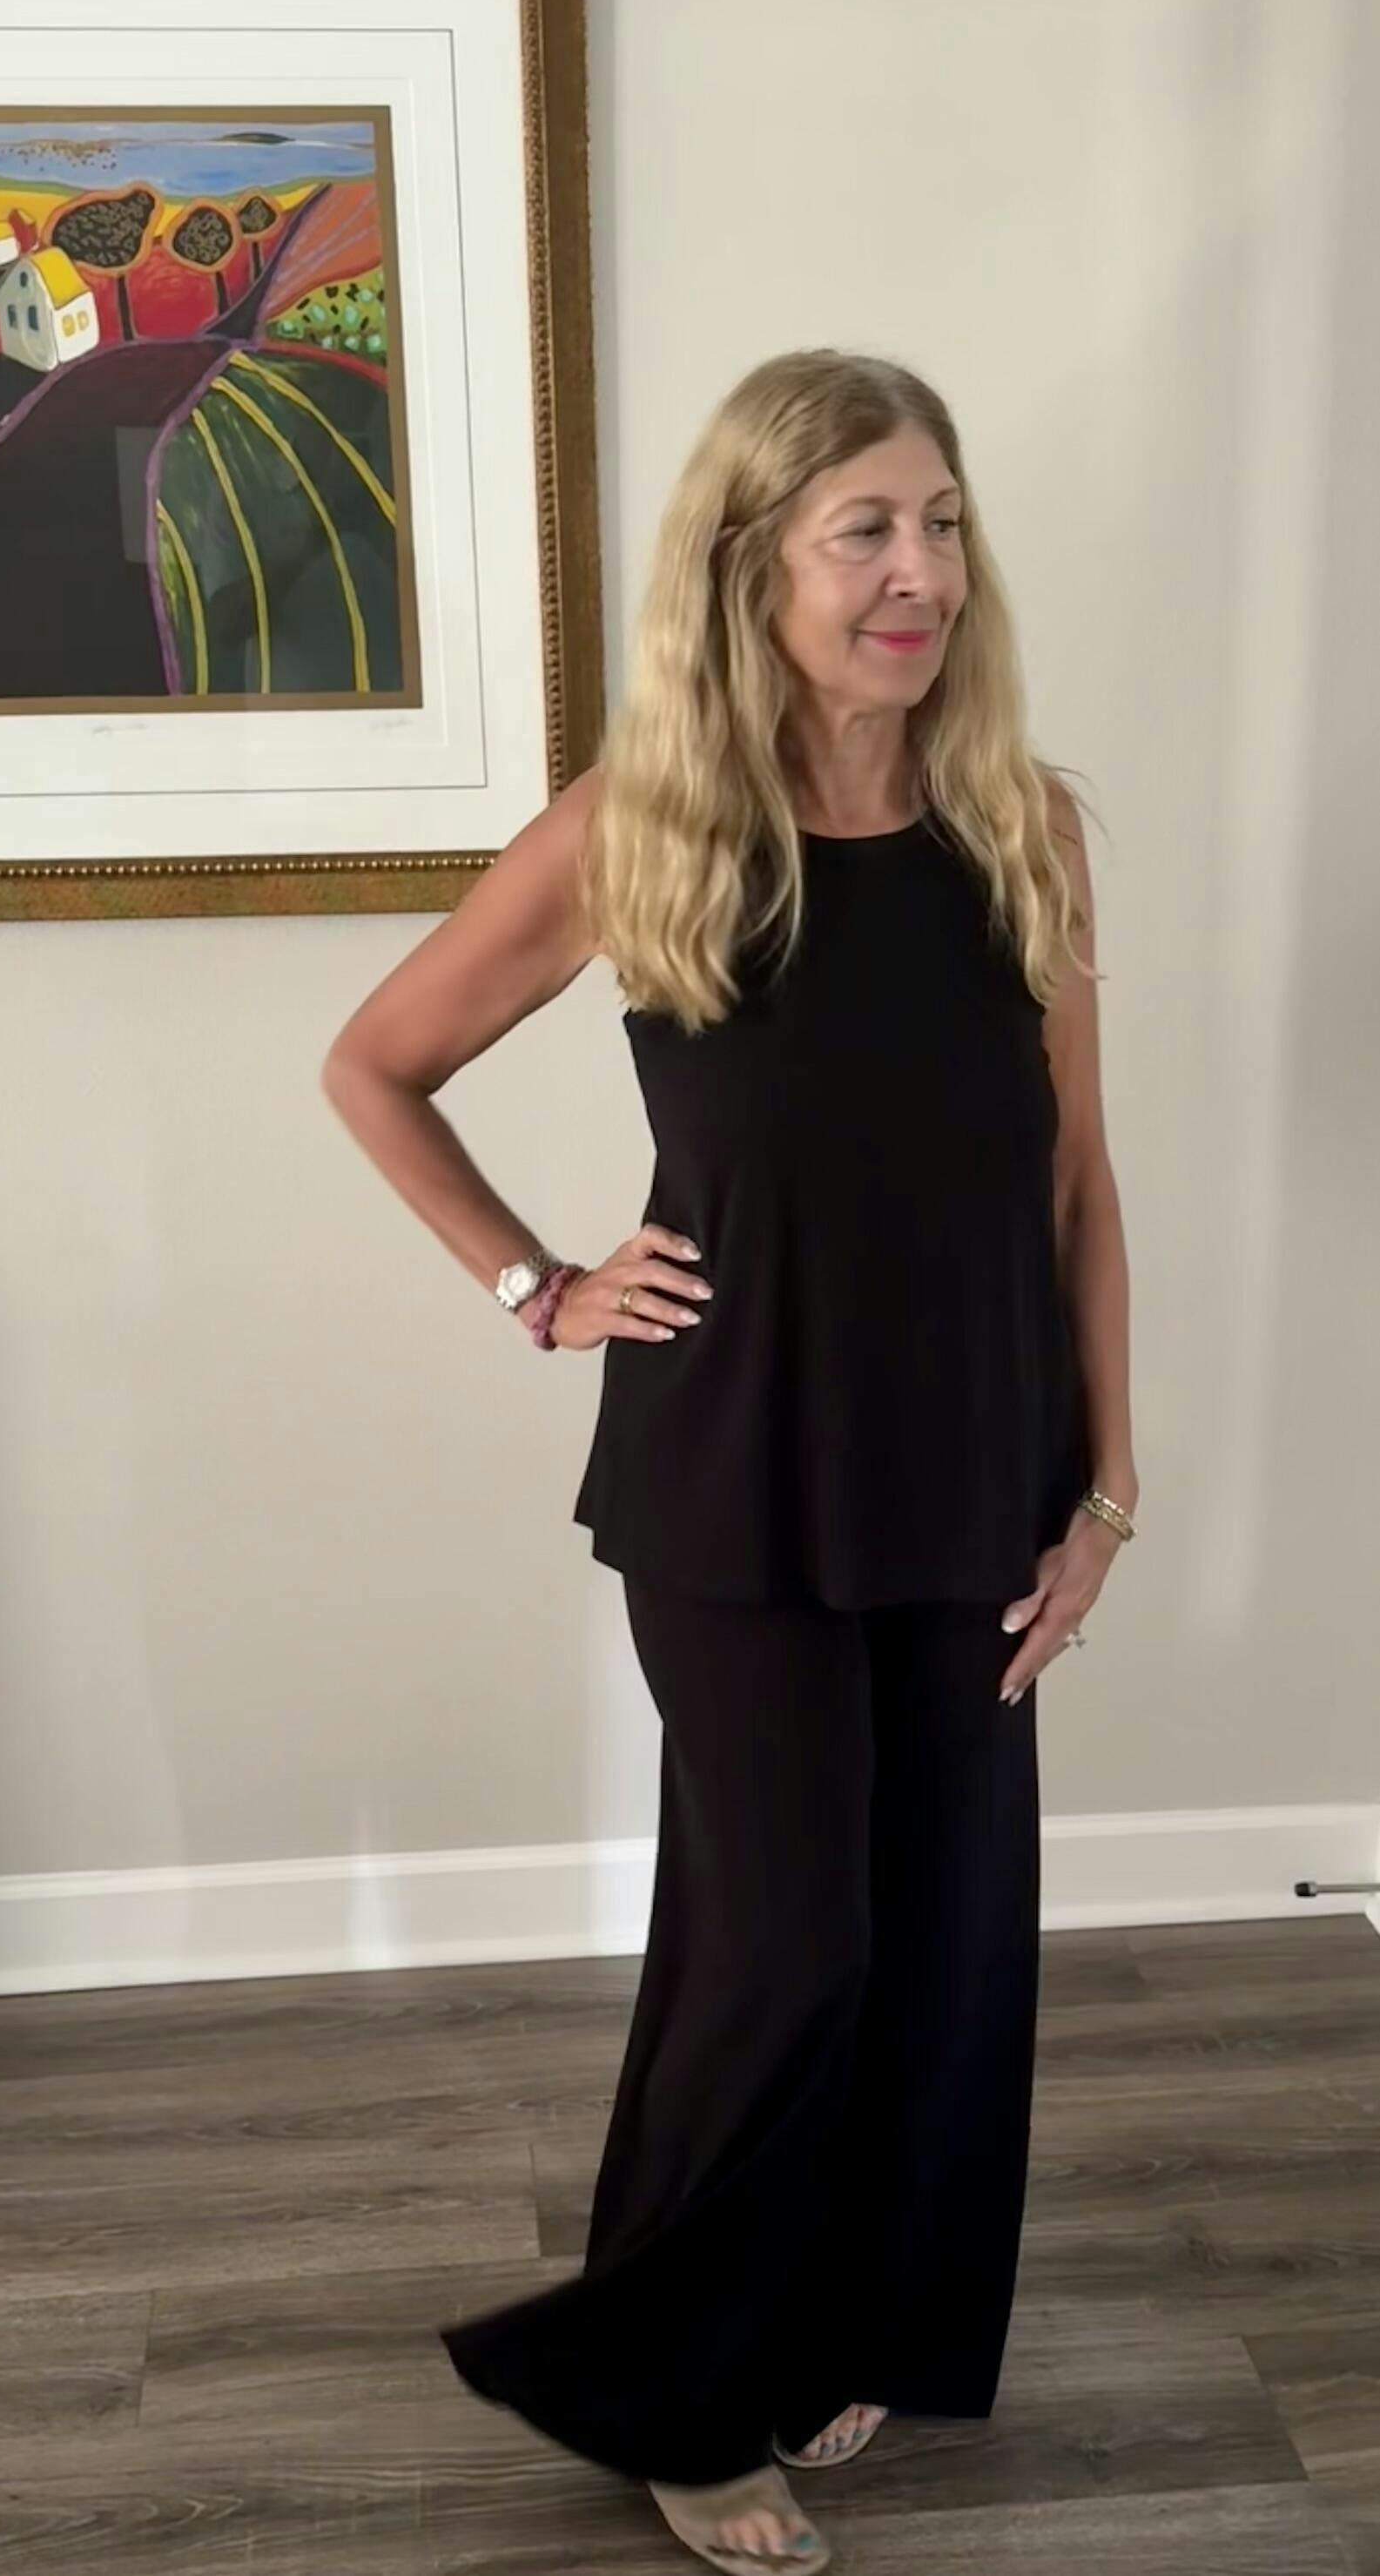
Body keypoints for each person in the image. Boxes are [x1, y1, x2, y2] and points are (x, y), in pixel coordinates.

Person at [320, 347, 1139, 2573]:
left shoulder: (1022, 826)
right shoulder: (649, 828)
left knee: (940, 1923)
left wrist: (1103, 1492)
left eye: (938, 522)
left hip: (976, 1467)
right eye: (861, 528)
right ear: (750, 561)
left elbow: (1073, 1184)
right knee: (784, 1939)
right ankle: (676, 2391)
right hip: (734, 1470)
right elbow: (375, 1063)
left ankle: (849, 2309)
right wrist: (535, 1284)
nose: (914, 571)